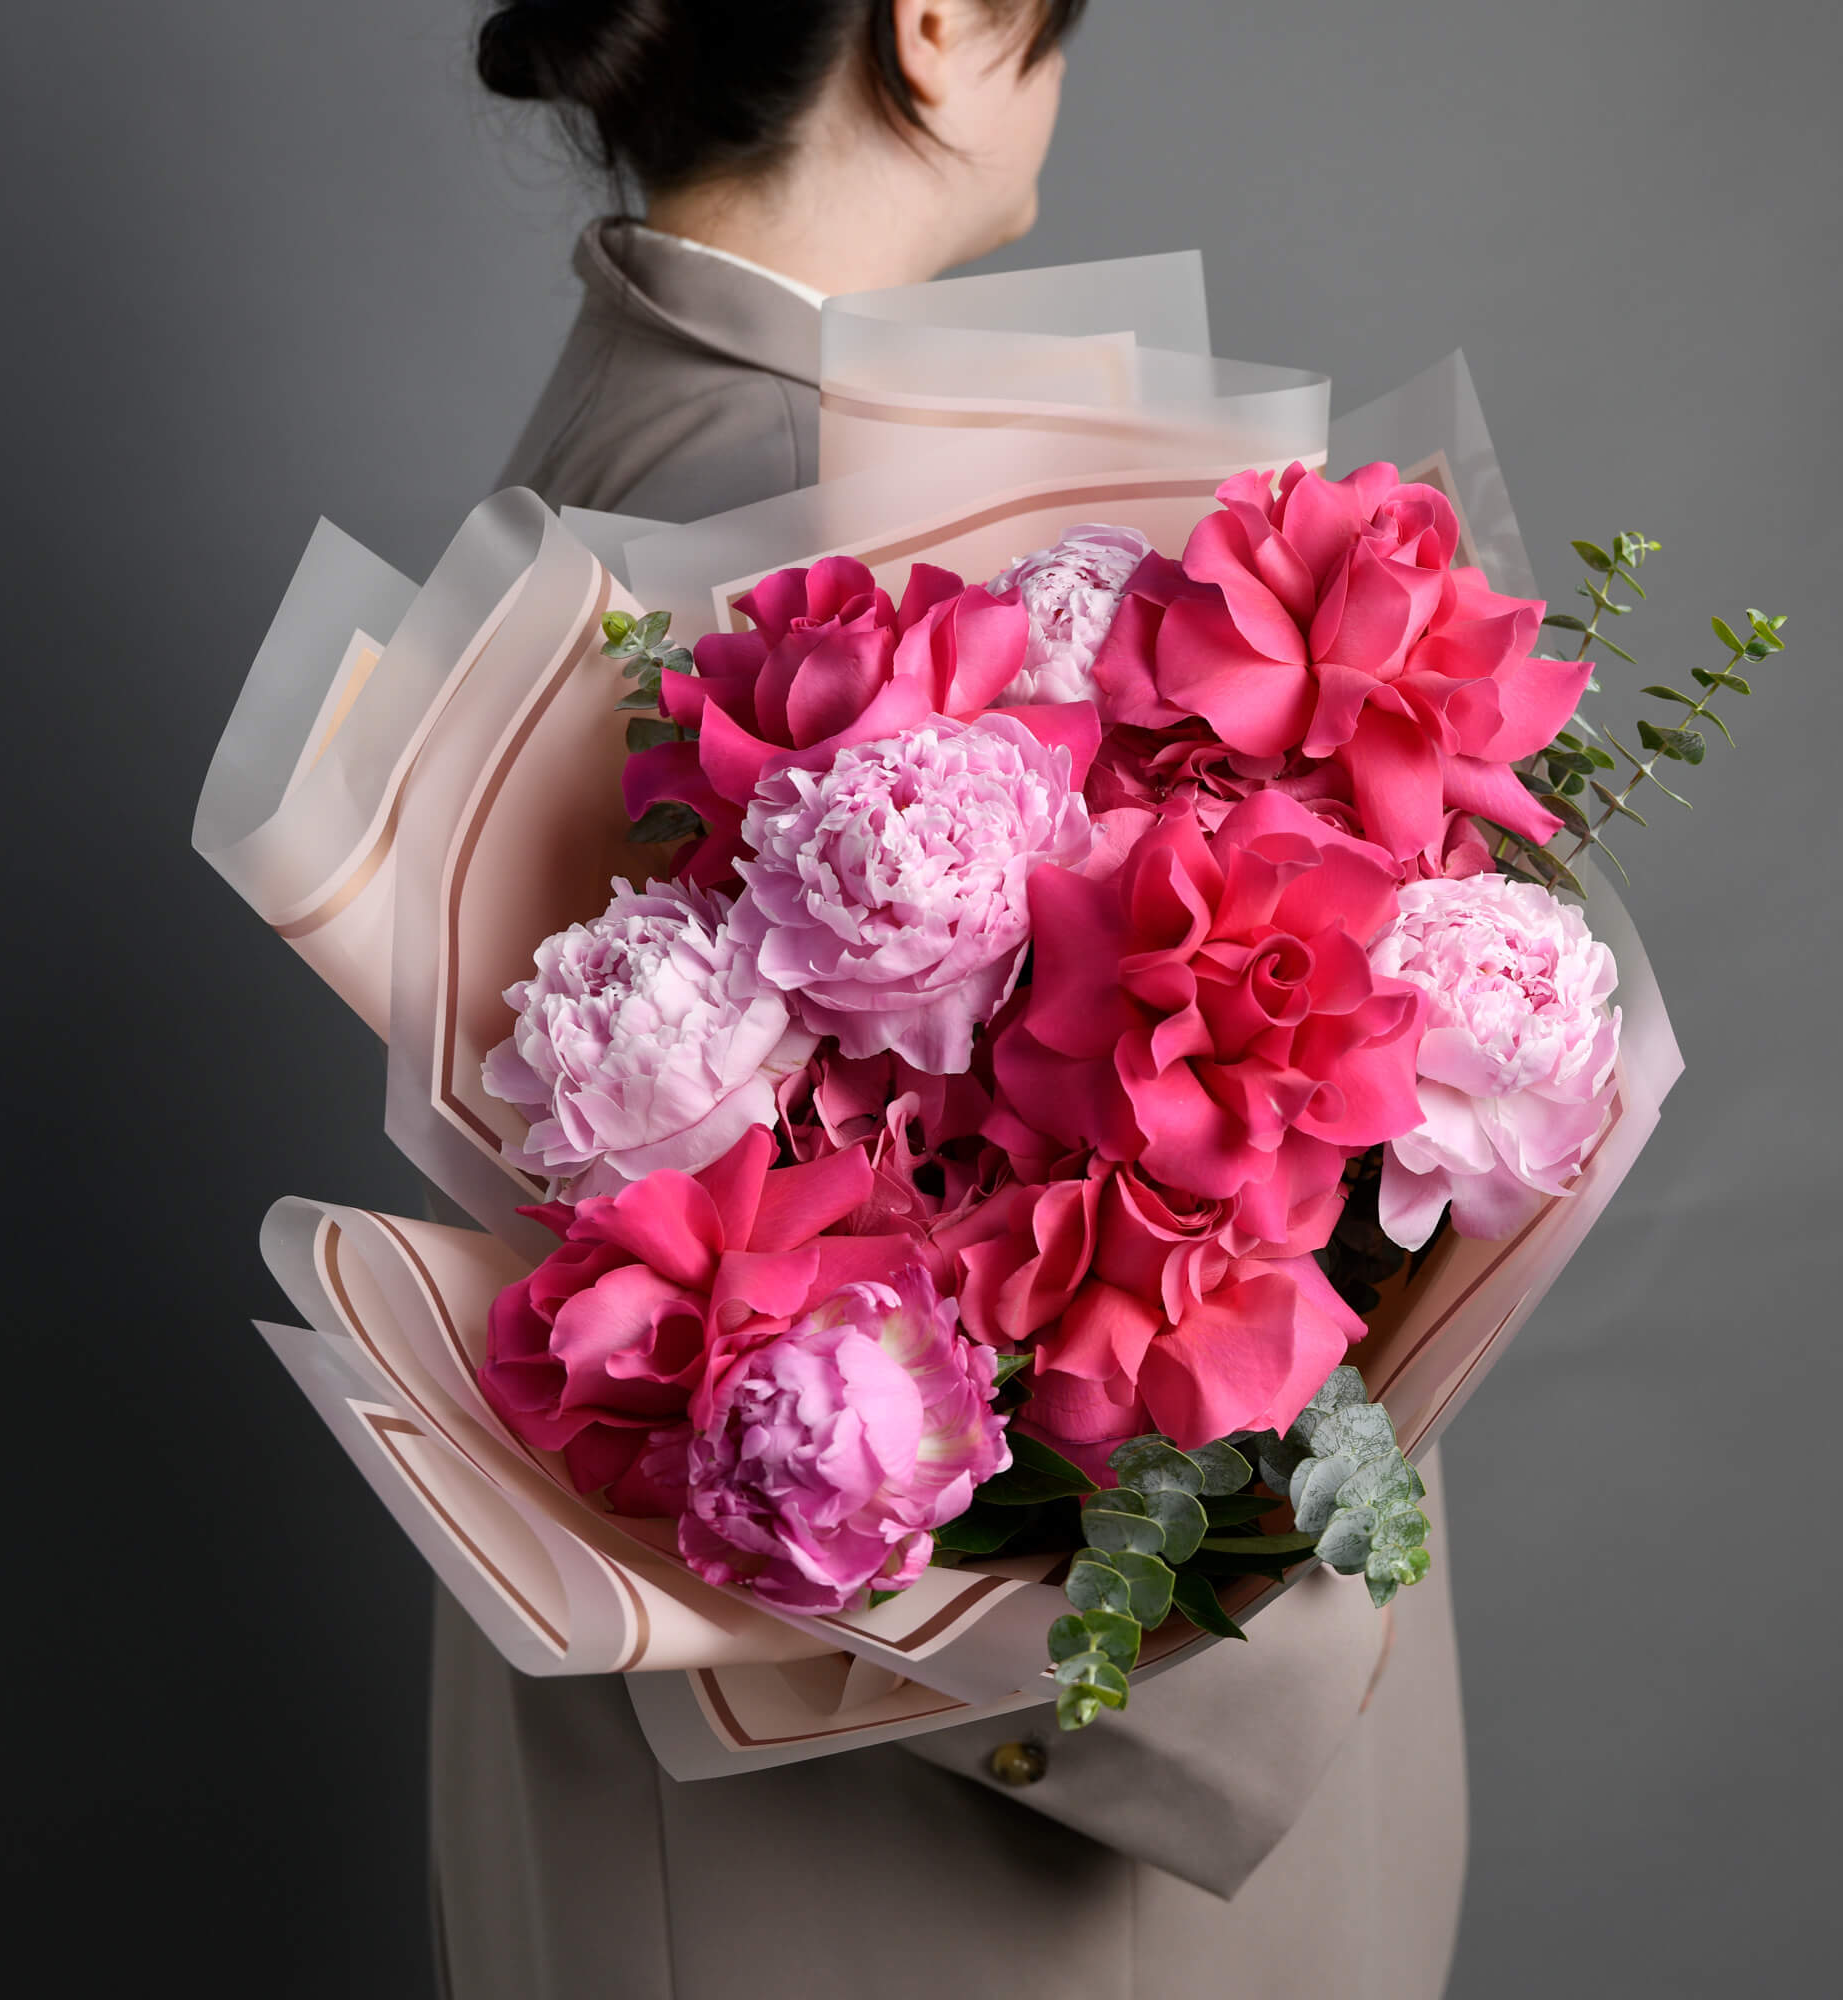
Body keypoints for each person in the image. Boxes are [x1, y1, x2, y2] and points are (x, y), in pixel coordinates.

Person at [432, 7, 1469, 1995]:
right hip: (965, 1866)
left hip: (697, 1815)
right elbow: (991, 1304)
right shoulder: (832, 518)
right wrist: (1287, 1643)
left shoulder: (626, 433)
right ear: (937, 16)